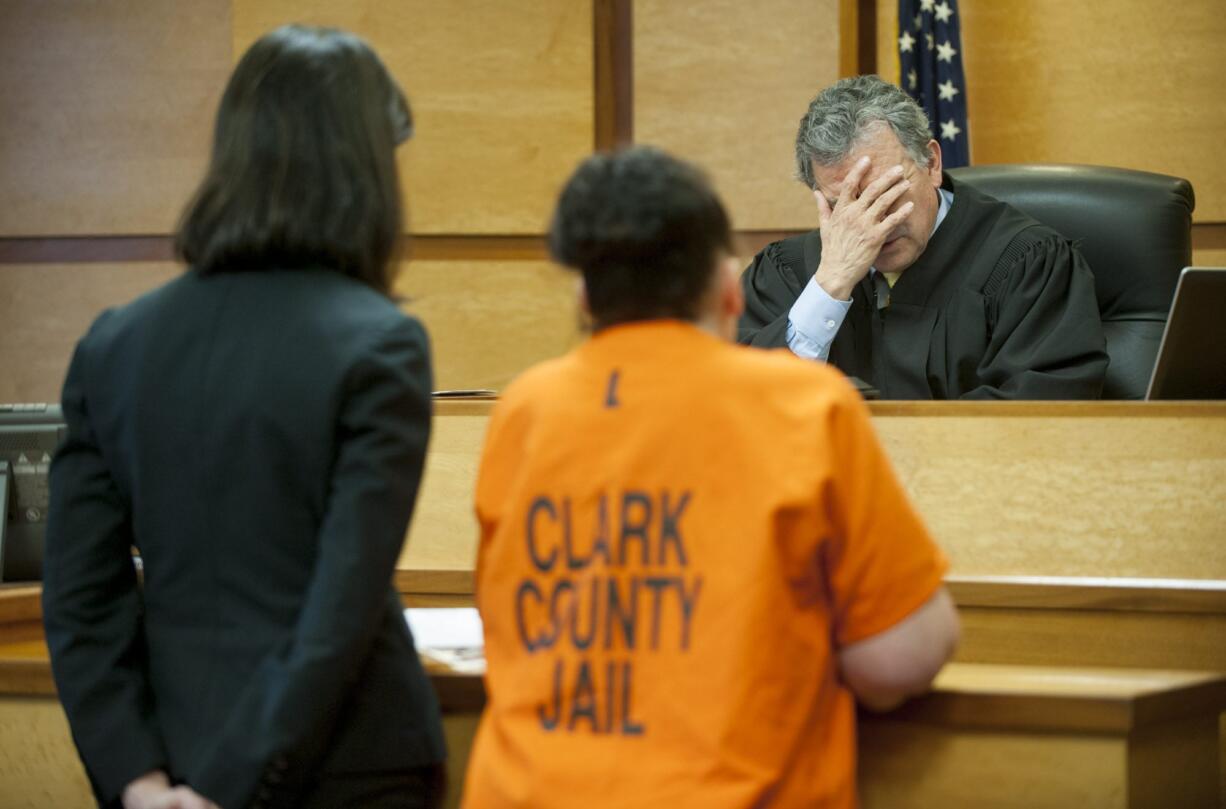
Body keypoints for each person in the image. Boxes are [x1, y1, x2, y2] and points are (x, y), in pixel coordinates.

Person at [462, 146, 959, 808]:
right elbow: (895, 660)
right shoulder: (805, 405)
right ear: (727, 288)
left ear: (585, 297)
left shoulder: (522, 409)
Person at [42, 25, 445, 809]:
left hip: (170, 759)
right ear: (364, 172)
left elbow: (80, 599)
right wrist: (229, 787)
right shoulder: (381, 345)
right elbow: (340, 607)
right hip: (348, 767)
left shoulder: (113, 345)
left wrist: (143, 782)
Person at [738, 75, 1109, 399]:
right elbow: (735, 401)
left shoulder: (1027, 263)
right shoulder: (786, 272)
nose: (875, 223)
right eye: (846, 205)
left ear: (931, 163)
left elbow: (1044, 412)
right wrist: (829, 287)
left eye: (888, 193)